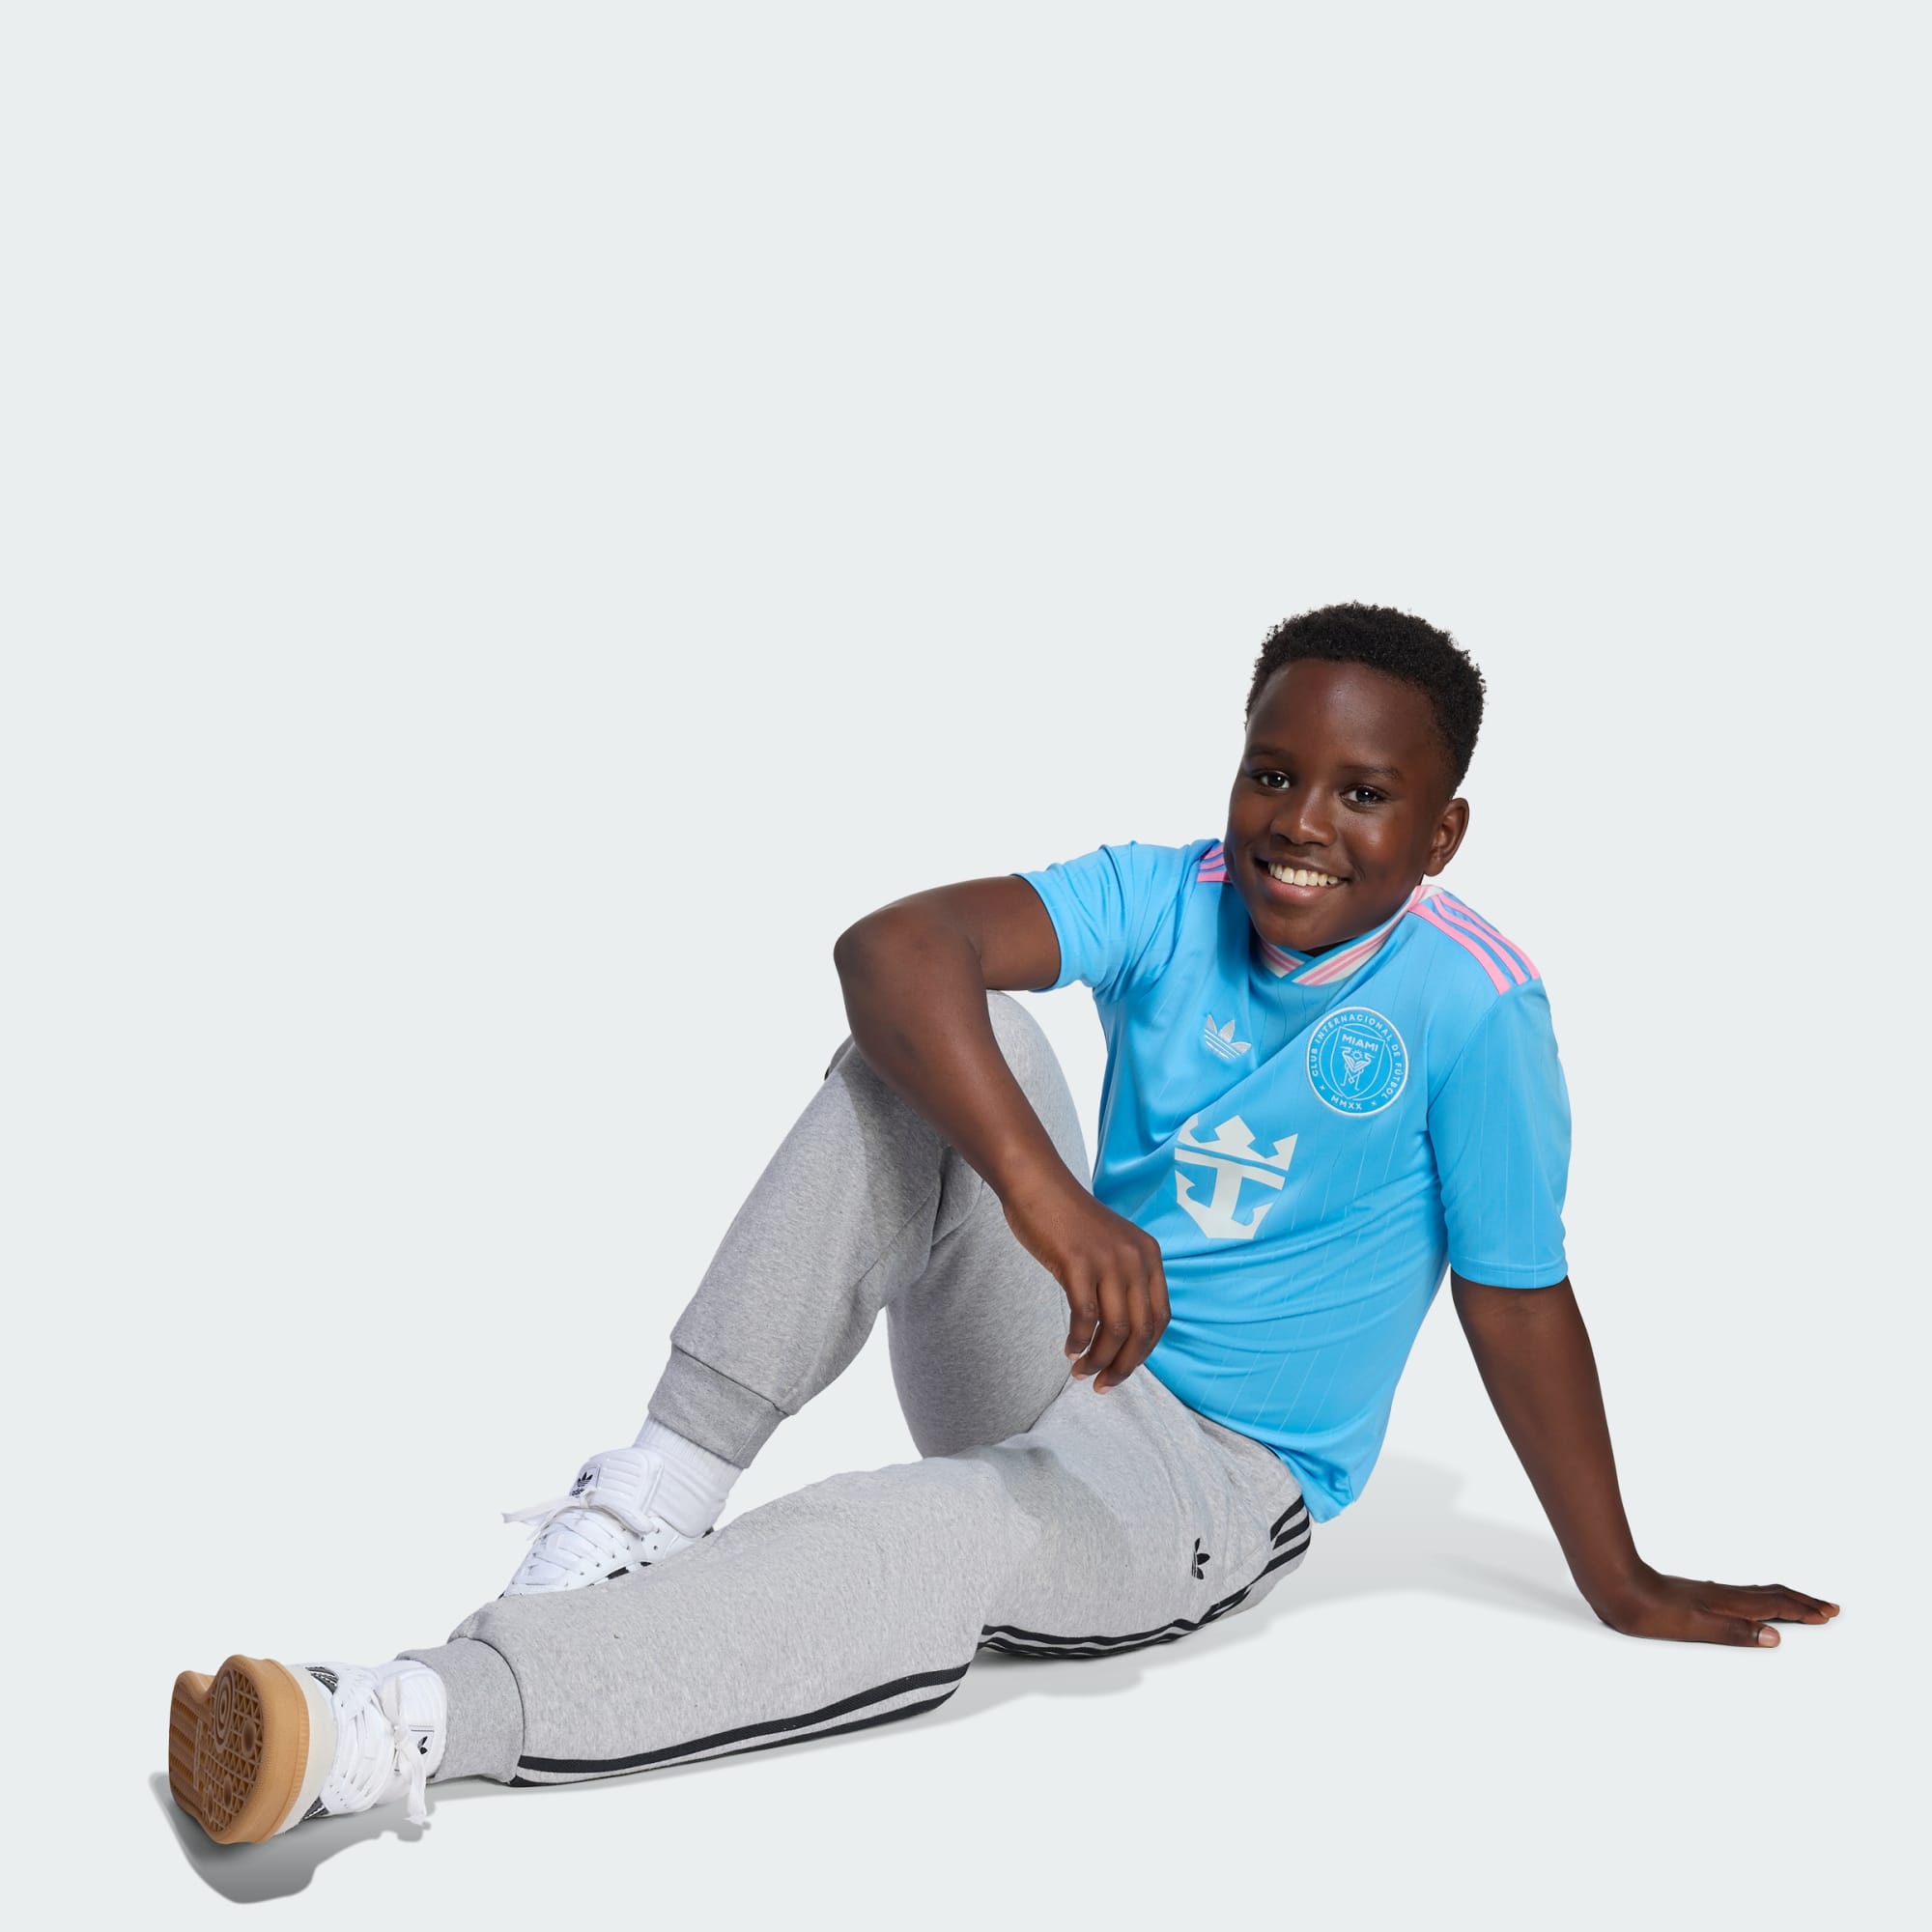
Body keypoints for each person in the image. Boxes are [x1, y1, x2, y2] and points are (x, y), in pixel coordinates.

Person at [167, 602, 1838, 1845]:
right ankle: (656, 1493)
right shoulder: (1172, 890)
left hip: (1204, 1479)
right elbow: (893, 947)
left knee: (926, 1533)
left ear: (1442, 828)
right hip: (1073, 1337)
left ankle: (401, 1722)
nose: (1300, 825)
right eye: (1274, 773)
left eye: (1362, 794)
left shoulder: (1476, 1007)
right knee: (933, 1042)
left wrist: (1617, 1577)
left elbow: (1517, 1296)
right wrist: (1052, 1203)